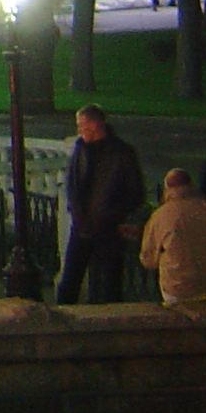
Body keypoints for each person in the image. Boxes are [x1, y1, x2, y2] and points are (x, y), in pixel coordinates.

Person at [57, 105, 146, 304]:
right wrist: (78, 214)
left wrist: (112, 215)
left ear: (95, 124)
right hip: (82, 225)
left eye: (82, 125)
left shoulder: (121, 153)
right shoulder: (80, 149)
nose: (79, 130)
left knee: (110, 282)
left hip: (109, 227)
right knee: (70, 279)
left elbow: (134, 192)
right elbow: (72, 185)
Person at [137, 168, 206, 304]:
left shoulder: (160, 215)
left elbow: (149, 260)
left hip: (176, 290)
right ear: (191, 185)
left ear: (166, 188)